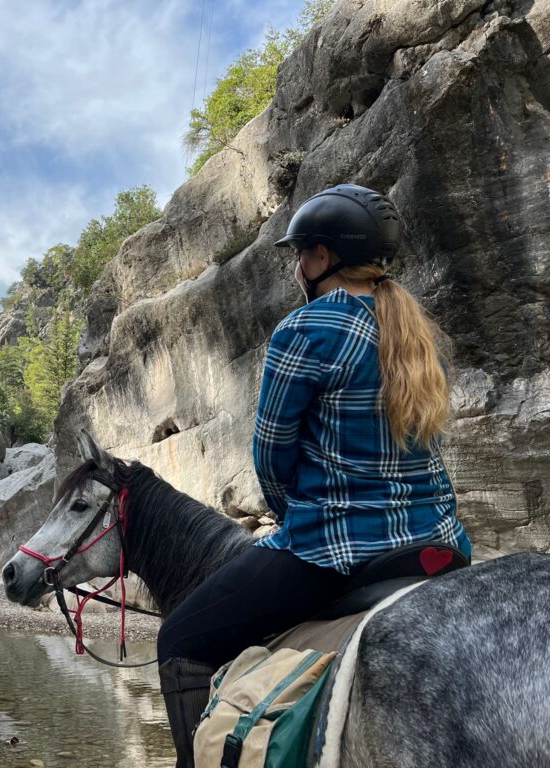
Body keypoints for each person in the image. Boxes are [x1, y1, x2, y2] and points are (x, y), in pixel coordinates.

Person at [156, 184, 471, 768]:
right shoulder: (420, 336)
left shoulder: (306, 329)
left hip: (337, 548)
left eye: (301, 254)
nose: (298, 266)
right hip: (439, 542)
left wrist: (285, 514)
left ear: (323, 258)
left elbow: (273, 455)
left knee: (178, 642)